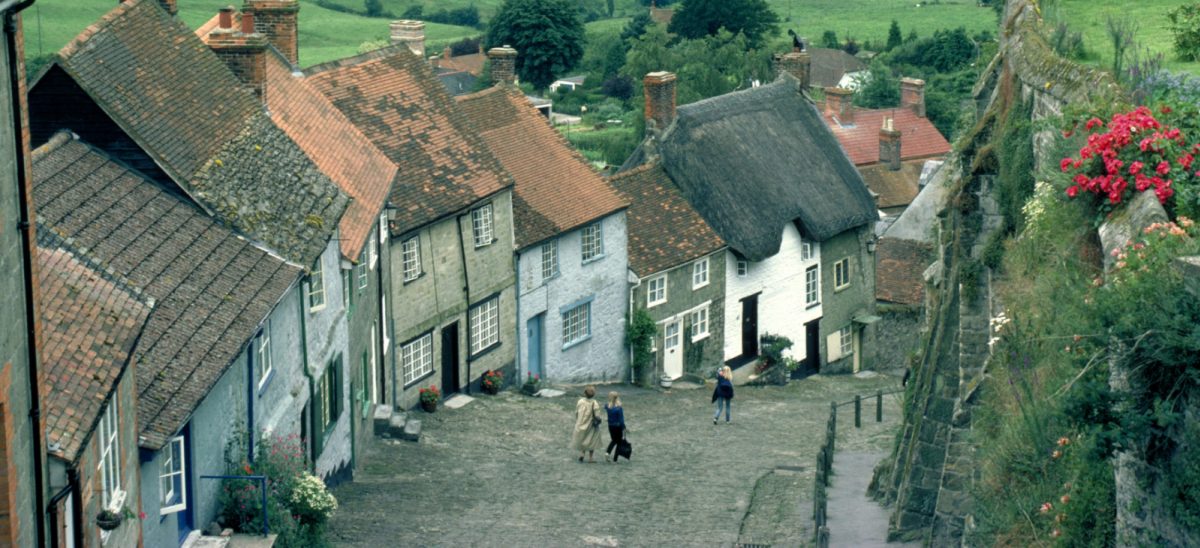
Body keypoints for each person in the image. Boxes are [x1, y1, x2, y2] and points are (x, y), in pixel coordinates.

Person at [572, 386, 604, 462]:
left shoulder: (580, 402)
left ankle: (583, 453)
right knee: (592, 439)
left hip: (581, 422)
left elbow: (576, 412)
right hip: (591, 424)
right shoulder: (594, 403)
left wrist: (578, 420)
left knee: (583, 438)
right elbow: (597, 415)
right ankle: (590, 457)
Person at [604, 392, 627, 462]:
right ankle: (615, 458)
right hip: (617, 426)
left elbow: (607, 406)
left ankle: (608, 452)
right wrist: (624, 427)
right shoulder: (618, 408)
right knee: (619, 442)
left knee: (614, 440)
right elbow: (621, 419)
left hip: (610, 426)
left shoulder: (607, 405)